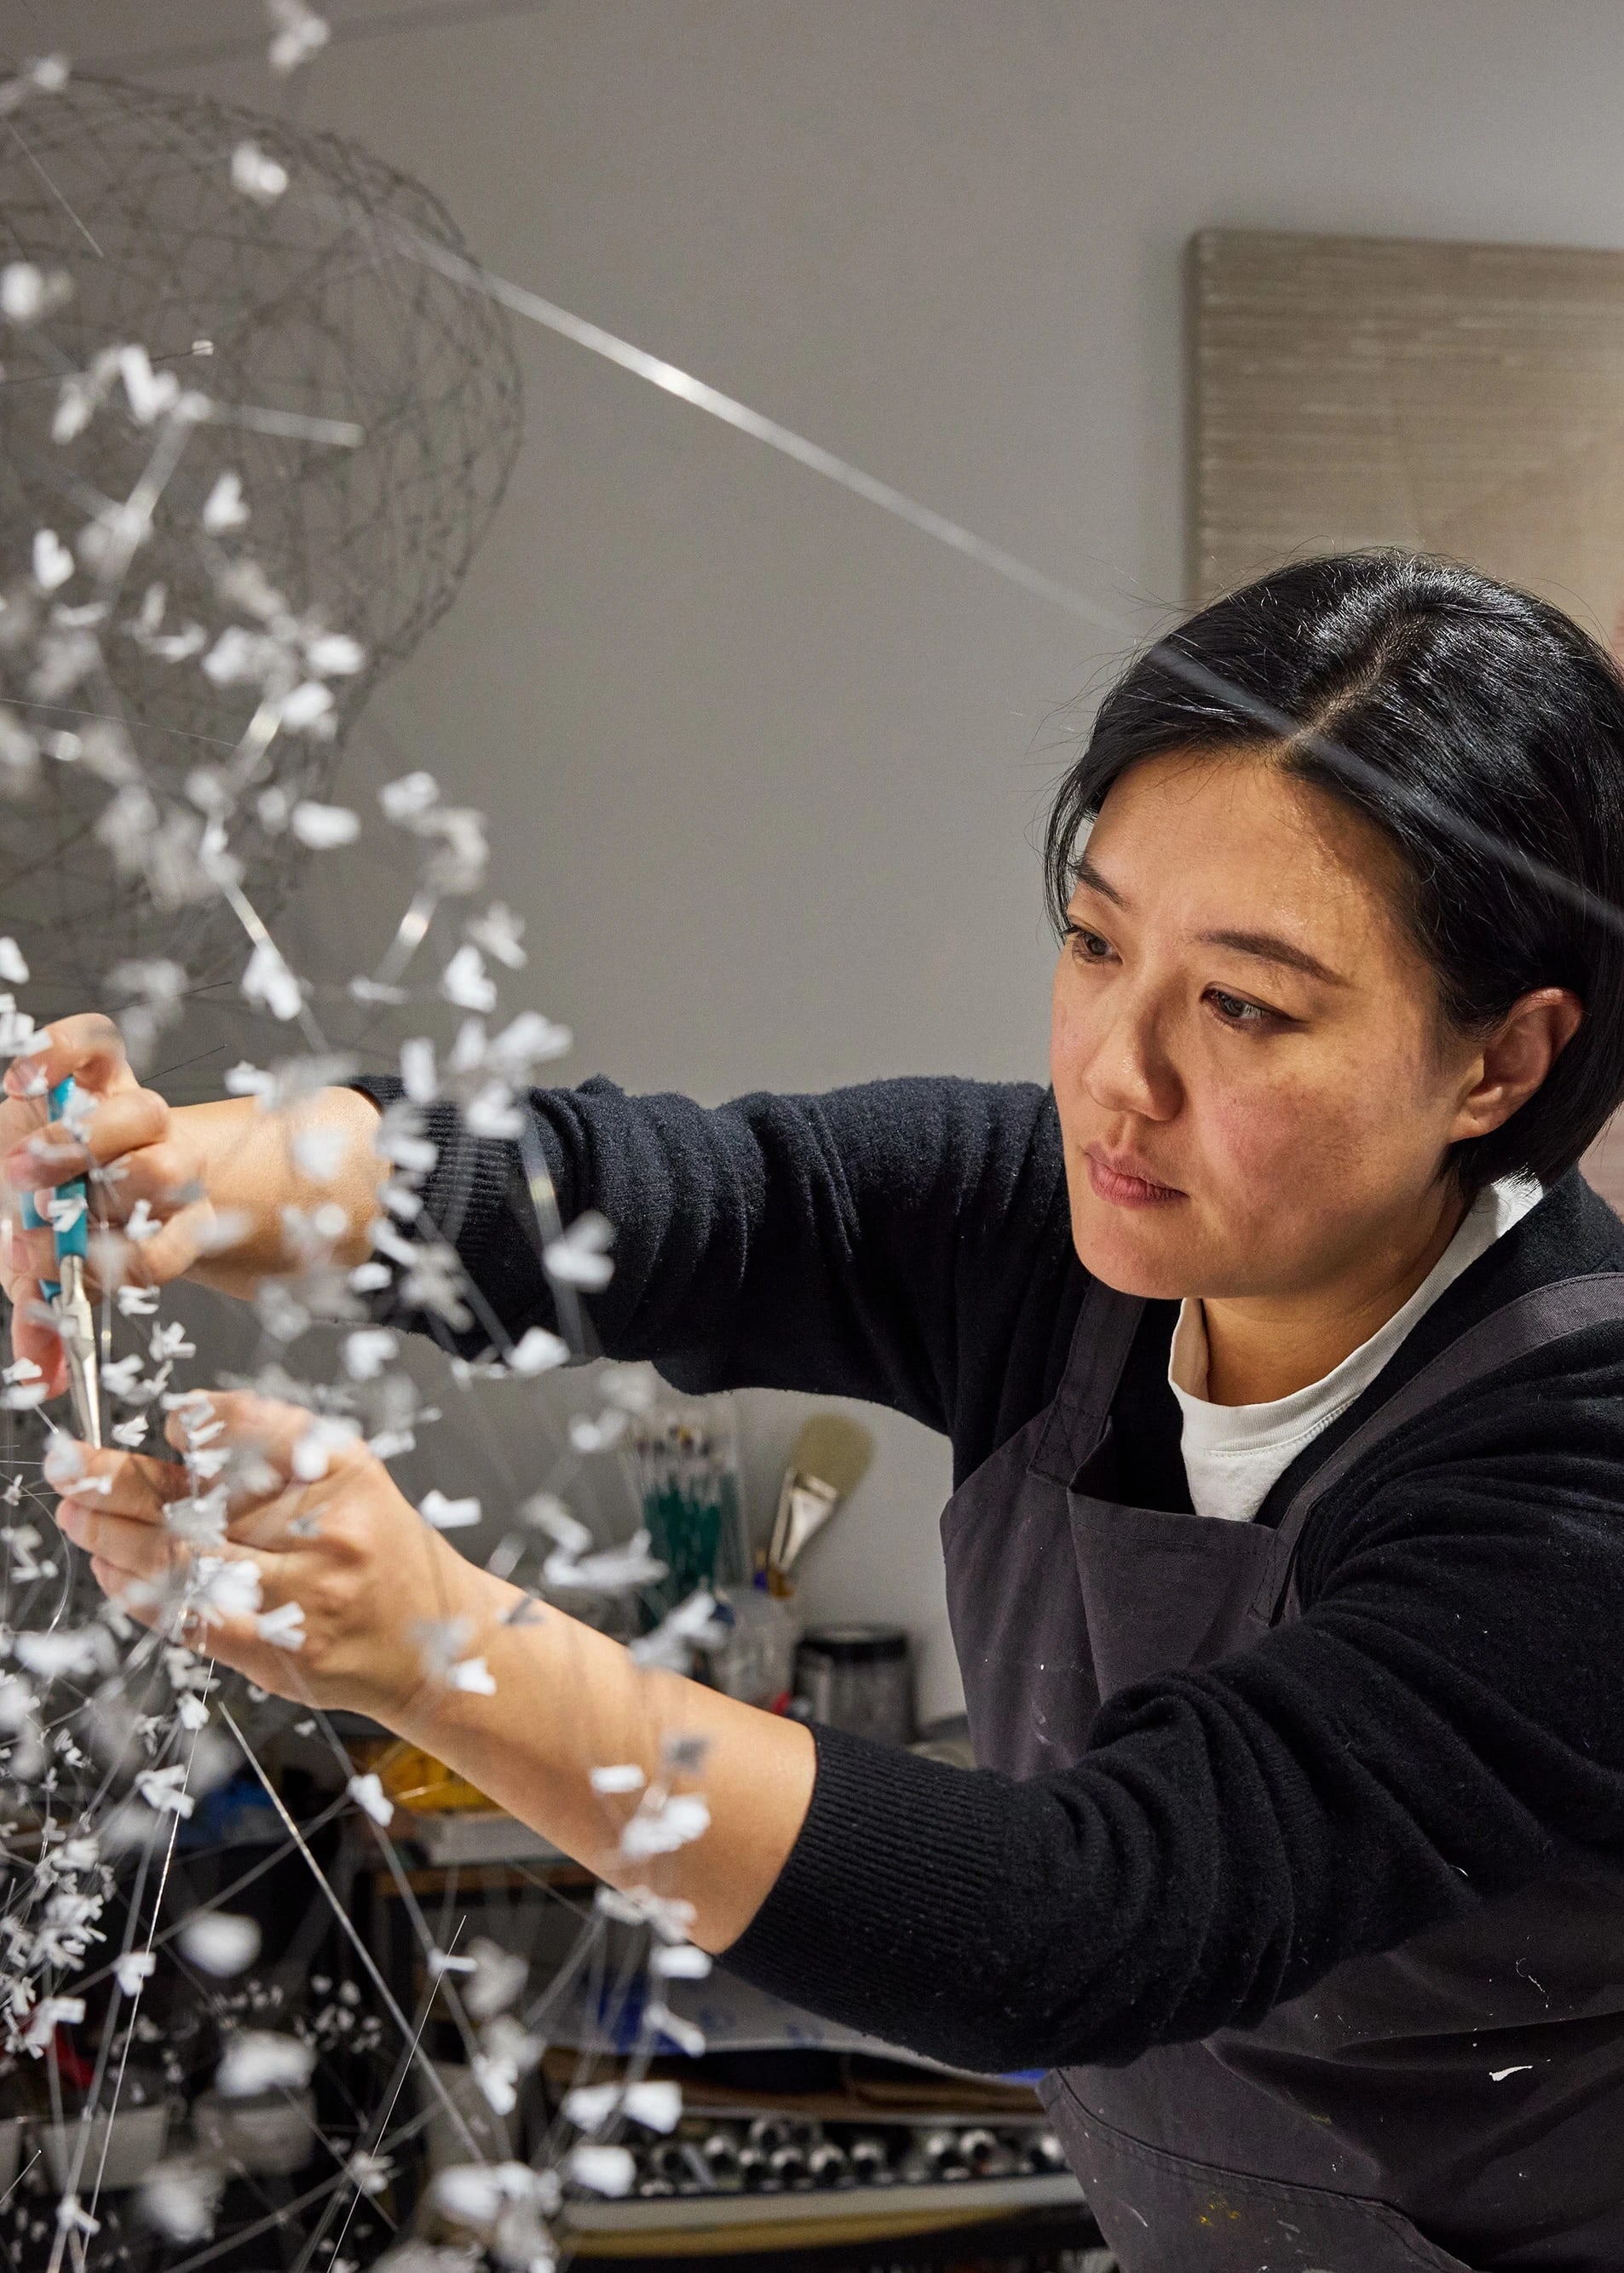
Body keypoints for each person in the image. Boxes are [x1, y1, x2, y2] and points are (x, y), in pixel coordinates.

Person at [7, 550, 1624, 2272]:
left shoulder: (1571, 1472)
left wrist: (436, 1650)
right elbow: (654, 1197)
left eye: (1243, 1004)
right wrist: (186, 1169)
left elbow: (1073, 1918)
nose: (1113, 1071)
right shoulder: (1061, 1222)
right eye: (1092, 939)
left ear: (1497, 1061)